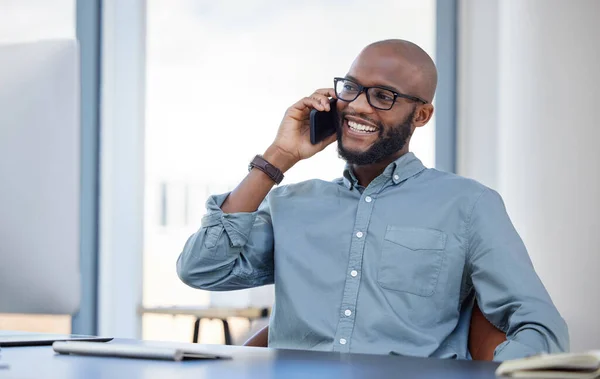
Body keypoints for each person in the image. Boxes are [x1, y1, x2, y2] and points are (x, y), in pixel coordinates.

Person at [176, 39, 568, 361]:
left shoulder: (468, 205)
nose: (358, 106)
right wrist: (278, 157)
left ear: (421, 116)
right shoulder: (291, 204)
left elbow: (539, 326)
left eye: (383, 96)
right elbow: (201, 269)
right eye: (350, 88)